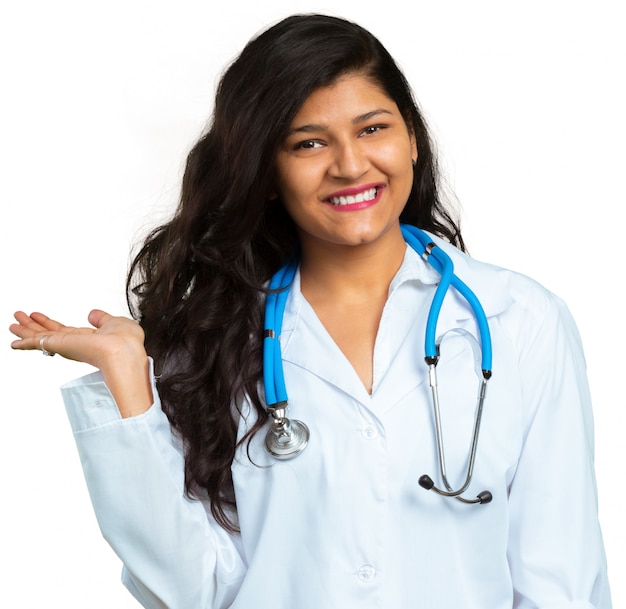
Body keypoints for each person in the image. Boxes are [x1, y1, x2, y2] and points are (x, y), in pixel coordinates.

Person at [9, 13, 611, 609]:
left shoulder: (520, 321)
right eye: (309, 143)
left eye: (373, 129)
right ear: (267, 173)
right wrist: (128, 382)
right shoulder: (218, 339)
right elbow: (190, 590)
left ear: (413, 141)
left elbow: (562, 581)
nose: (350, 165)